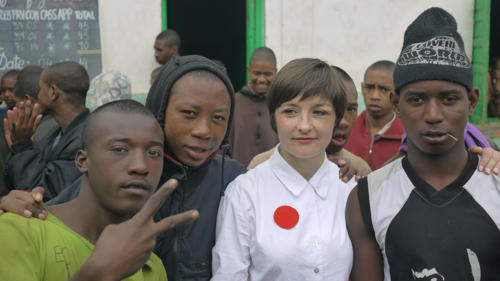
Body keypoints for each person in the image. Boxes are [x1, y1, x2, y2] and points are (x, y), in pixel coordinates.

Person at [0, 55, 246, 281]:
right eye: (189, 113)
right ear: (161, 112)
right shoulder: (28, 233)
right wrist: (18, 207)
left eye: (219, 118)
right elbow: (52, 213)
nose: (203, 131)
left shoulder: (237, 182)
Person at [346, 7, 500, 281]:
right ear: (397, 105)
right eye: (416, 99)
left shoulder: (495, 185)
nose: (433, 115)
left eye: (449, 99)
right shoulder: (368, 197)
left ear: (472, 102)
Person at [0, 100, 198, 280]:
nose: (140, 166)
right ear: (83, 161)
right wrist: (99, 273)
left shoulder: (149, 265)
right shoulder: (20, 230)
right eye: (120, 149)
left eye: (154, 153)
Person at [212, 58, 355, 280]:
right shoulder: (245, 192)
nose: (304, 126)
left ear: (336, 119)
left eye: (319, 112)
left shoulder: (351, 190)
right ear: (273, 118)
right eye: (290, 111)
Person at [247, 65, 372, 179]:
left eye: (351, 109)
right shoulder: (260, 167)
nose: (343, 122)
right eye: (291, 111)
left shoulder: (359, 170)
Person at [5, 61, 90, 199]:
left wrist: (22, 146)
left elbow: (40, 194)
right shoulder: (55, 133)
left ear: (52, 92)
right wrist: (18, 148)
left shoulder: (85, 138)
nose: (37, 95)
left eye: (40, 89)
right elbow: (15, 181)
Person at [344, 60, 404, 170]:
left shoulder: (406, 138)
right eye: (369, 87)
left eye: (384, 89)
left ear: (397, 94)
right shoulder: (346, 129)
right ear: (362, 88)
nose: (375, 96)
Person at [229, 47, 279, 166]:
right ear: (249, 71)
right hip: (238, 175)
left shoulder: (280, 105)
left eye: (267, 74)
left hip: (273, 177)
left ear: (275, 72)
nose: (261, 79)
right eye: (257, 73)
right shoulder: (233, 102)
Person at [12, 65, 59, 144]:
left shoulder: (39, 134)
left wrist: (19, 146)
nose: (15, 108)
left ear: (28, 100)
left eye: (16, 102)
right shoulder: (58, 123)